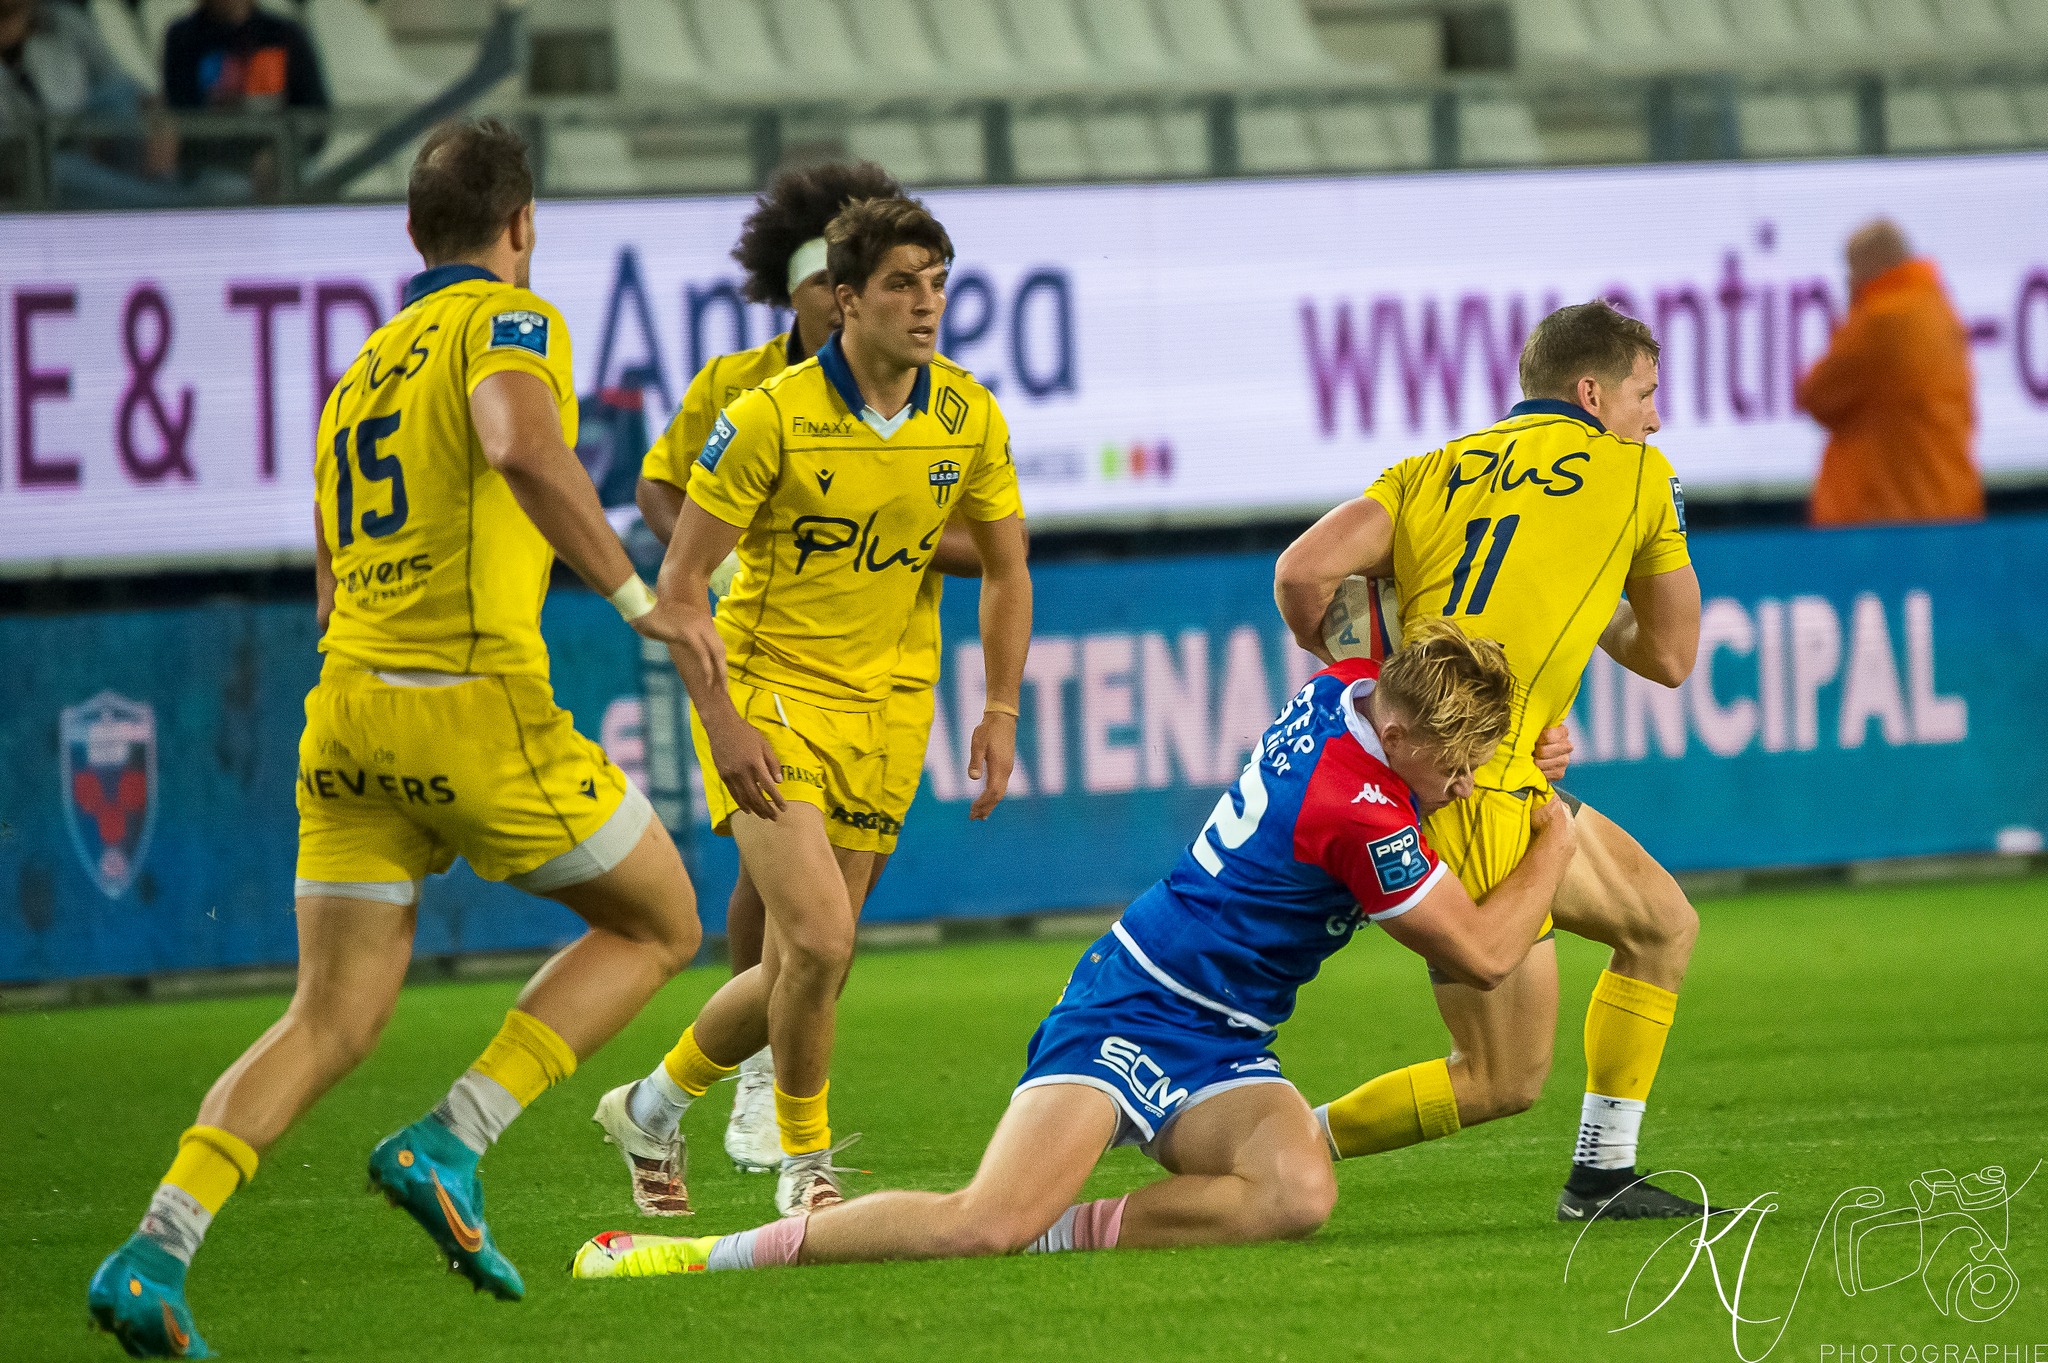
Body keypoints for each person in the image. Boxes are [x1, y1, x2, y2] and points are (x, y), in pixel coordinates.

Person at [87, 118, 703, 1359]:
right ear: (519, 227)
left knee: (328, 1014)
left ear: (411, 235)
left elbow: (327, 582)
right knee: (660, 921)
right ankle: (454, 1134)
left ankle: (156, 1247)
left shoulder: (356, 375)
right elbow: (523, 444)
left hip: (346, 714)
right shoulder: (505, 323)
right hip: (466, 698)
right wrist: (643, 599)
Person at [568, 623, 1577, 1280]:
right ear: (1397, 731)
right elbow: (1487, 954)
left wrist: (1502, 743)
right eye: (1451, 766)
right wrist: (1554, 834)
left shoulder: (1346, 687)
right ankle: (700, 1255)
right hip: (1133, 1005)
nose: (1458, 784)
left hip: (1223, 1033)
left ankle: (1052, 1224)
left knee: (1296, 1191)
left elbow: (1335, 602)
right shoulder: (1354, 811)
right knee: (974, 1224)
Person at [592, 194, 1032, 1219]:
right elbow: (681, 585)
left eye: (936, 285)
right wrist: (724, 723)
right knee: (824, 944)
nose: (926, 306)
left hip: (888, 710)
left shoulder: (966, 413)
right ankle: (806, 1168)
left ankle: (649, 1108)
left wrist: (999, 706)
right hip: (769, 693)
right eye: (900, 285)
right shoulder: (765, 417)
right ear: (843, 300)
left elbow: (1006, 566)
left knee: (803, 962)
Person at [1274, 299, 1709, 1222]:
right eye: (1645, 394)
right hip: (1480, 795)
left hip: (1489, 779)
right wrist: (1597, 615)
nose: (1656, 417)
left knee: (1662, 927)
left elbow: (1302, 573)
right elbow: (1671, 656)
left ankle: (1602, 1173)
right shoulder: (1638, 474)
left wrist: (1382, 690)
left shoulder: (1433, 470)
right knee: (1500, 1078)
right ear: (1591, 393)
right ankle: (1276, 1142)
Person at [1800, 218, 1982, 527]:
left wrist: (1855, 311)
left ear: (1870, 266)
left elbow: (1815, 394)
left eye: (1851, 269)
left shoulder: (1880, 319)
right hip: (1948, 503)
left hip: (1886, 516)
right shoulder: (1938, 308)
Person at [0, 0, 181, 207]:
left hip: (88, 148)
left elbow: (120, 87)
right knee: (53, 169)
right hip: (23, 167)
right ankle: (172, 207)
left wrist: (155, 112)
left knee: (122, 103)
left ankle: (167, 199)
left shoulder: (64, 22)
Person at [162, 0, 327, 192]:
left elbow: (316, 119)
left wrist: (279, 155)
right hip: (214, 170)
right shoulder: (184, 37)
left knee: (316, 187)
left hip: (283, 161)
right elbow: (189, 123)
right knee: (228, 192)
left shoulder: (286, 34)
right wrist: (248, 157)